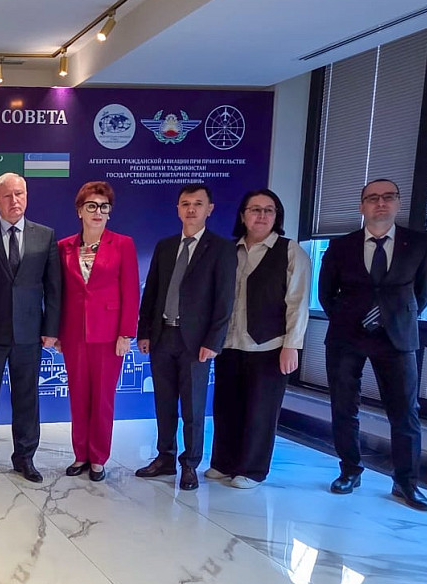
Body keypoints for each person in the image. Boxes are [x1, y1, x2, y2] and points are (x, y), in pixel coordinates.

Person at [319, 179, 427, 511]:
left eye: (388, 197)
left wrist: (393, 318)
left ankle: (406, 482)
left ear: (397, 203)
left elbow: (423, 292)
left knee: (405, 412)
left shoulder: (420, 243)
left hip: (396, 337)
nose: (380, 203)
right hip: (347, 336)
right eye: (372, 198)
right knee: (344, 408)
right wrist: (348, 317)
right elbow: (326, 293)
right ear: (362, 206)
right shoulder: (341, 245)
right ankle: (350, 471)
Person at [135, 183, 236, 491]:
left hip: (196, 342)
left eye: (198, 203)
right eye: (185, 204)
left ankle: (190, 463)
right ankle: (164, 457)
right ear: (178, 209)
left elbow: (224, 301)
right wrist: (144, 331)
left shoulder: (221, 248)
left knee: (192, 408)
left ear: (209, 209)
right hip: (163, 335)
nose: (191, 209)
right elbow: (151, 292)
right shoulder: (165, 246)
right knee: (164, 403)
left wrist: (213, 341)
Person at [207, 189, 309, 489]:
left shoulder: (290, 251)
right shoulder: (228, 250)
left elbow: (298, 302)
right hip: (229, 343)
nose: (261, 215)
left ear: (277, 216)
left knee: (260, 411)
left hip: (269, 345)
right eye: (255, 209)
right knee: (226, 407)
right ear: (243, 215)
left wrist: (292, 345)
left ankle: (252, 470)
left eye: (269, 210)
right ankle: (223, 462)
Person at [0, 173, 61, 484]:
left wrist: (51, 328)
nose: (14, 201)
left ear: (27, 196)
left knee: (27, 399)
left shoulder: (45, 236)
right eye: (7, 196)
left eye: (19, 194)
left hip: (29, 334)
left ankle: (25, 458)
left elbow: (53, 287)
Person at [56, 181, 139, 483]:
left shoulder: (123, 244)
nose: (98, 212)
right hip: (73, 333)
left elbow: (131, 291)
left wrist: (126, 334)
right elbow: (58, 293)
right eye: (91, 206)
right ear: (79, 210)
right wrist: (57, 332)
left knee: (103, 398)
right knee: (78, 397)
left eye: (104, 207)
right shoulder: (63, 247)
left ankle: (98, 458)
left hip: (109, 335)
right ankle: (80, 454)